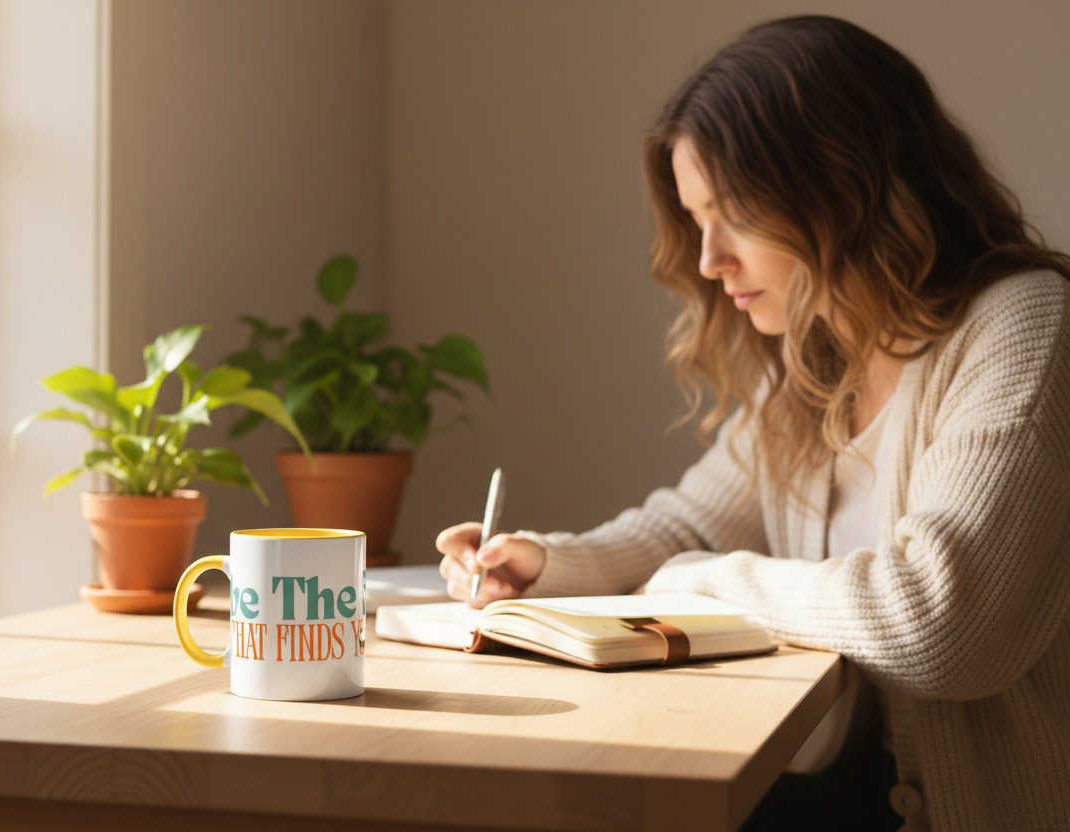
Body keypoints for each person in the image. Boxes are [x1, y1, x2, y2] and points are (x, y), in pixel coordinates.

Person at [436, 15, 1070, 832]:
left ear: (843, 183)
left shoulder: (1024, 327)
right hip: (856, 791)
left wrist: (696, 582)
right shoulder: (822, 359)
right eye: (698, 219)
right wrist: (543, 567)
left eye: (732, 212)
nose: (708, 260)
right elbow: (686, 525)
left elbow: (939, 624)